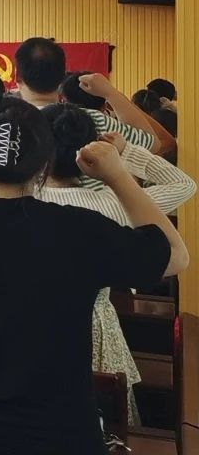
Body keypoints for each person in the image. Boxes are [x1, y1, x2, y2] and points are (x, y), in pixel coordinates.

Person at [0, 95, 187, 455]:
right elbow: (175, 256)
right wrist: (118, 175)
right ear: (45, 162)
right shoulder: (81, 229)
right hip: (63, 436)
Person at [38, 102, 195, 424]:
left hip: (28, 328)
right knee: (103, 420)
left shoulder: (18, 202)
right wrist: (125, 155)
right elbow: (184, 185)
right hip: (94, 328)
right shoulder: (115, 204)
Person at [15, 38, 171, 155]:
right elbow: (154, 144)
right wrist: (112, 93)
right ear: (63, 75)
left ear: (17, 76)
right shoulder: (93, 119)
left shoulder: (7, 125)